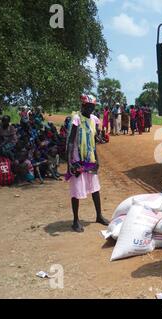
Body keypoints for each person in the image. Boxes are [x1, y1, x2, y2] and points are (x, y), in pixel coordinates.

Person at [66, 94, 109, 232]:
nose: (90, 109)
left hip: (90, 158)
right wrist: (69, 163)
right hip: (78, 159)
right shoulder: (76, 119)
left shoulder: (94, 120)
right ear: (83, 106)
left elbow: (93, 141)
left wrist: (97, 159)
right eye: (88, 106)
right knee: (76, 189)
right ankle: (75, 220)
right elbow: (71, 141)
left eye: (92, 107)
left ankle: (99, 215)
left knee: (95, 187)